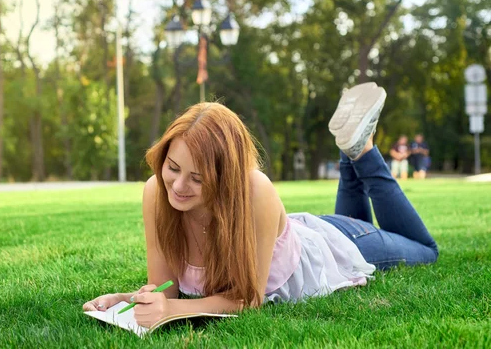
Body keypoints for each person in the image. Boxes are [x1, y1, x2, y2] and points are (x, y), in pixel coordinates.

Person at [83, 82, 438, 328]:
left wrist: (170, 310)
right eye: (173, 168)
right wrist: (126, 300)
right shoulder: (156, 193)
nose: (178, 185)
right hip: (297, 233)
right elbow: (167, 289)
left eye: (198, 178)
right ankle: (352, 151)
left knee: (426, 251)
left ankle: (361, 153)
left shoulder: (254, 191)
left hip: (341, 240)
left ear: (226, 177)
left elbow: (247, 299)